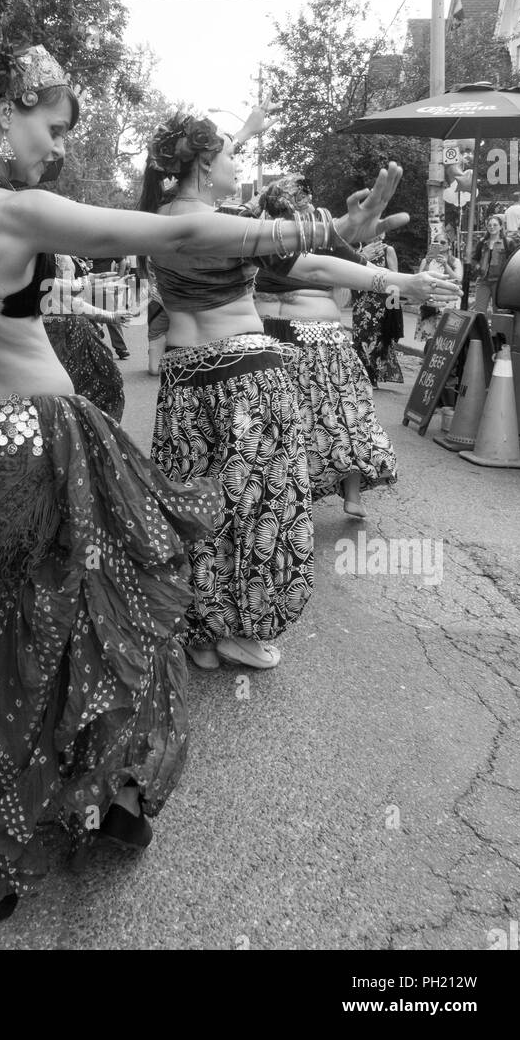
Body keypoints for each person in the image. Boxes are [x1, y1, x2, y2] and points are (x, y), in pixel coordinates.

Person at [0, 22, 406, 920]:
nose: (60, 151)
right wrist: (320, 225)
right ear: (8, 109)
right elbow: (170, 230)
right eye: (55, 129)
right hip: (36, 442)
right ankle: (79, 799)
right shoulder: (14, 210)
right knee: (98, 620)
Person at [141, 115, 416, 675]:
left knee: (196, 504)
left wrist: (239, 134)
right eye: (229, 156)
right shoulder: (234, 224)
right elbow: (310, 261)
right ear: (203, 164)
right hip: (245, 373)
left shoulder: (154, 221)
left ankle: (199, 631)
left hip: (183, 382)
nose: (237, 164)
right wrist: (392, 279)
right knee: (261, 505)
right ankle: (243, 631)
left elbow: (303, 247)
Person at [253, 177, 452, 520]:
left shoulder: (322, 236)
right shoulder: (260, 237)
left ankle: (350, 491)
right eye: (289, 202)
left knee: (343, 415)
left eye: (301, 200)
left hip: (314, 336)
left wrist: (405, 286)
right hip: (272, 338)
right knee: (298, 420)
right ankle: (293, 495)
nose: (298, 207)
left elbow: (364, 270)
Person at [41, 254, 134, 420]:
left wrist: (110, 316)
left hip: (63, 333)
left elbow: (68, 301)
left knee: (101, 385)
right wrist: (84, 284)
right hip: (55, 336)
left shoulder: (62, 256)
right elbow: (52, 292)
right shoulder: (57, 257)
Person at [351, 233, 404, 387]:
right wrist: (362, 257)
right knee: (360, 337)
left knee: (379, 338)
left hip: (381, 305)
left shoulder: (388, 250)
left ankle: (373, 375)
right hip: (361, 303)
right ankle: (362, 373)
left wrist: (394, 307)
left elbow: (395, 278)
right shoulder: (358, 251)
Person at [415, 237, 463, 345]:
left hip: (449, 300)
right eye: (436, 242)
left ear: (449, 245)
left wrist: (446, 265)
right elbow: (418, 279)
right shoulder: (426, 260)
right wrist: (427, 263)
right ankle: (427, 358)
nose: (440, 245)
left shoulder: (455, 261)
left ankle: (446, 360)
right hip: (431, 300)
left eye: (443, 242)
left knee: (448, 334)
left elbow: (458, 280)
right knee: (429, 334)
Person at [472, 214, 509, 315]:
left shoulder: (507, 242)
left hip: (499, 282)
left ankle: (497, 331)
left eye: (495, 225)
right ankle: (482, 331)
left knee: (499, 311)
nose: (492, 227)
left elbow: (511, 261)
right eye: (490, 225)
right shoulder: (482, 242)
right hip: (483, 280)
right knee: (479, 312)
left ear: (501, 227)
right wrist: (477, 266)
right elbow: (474, 259)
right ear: (487, 227)